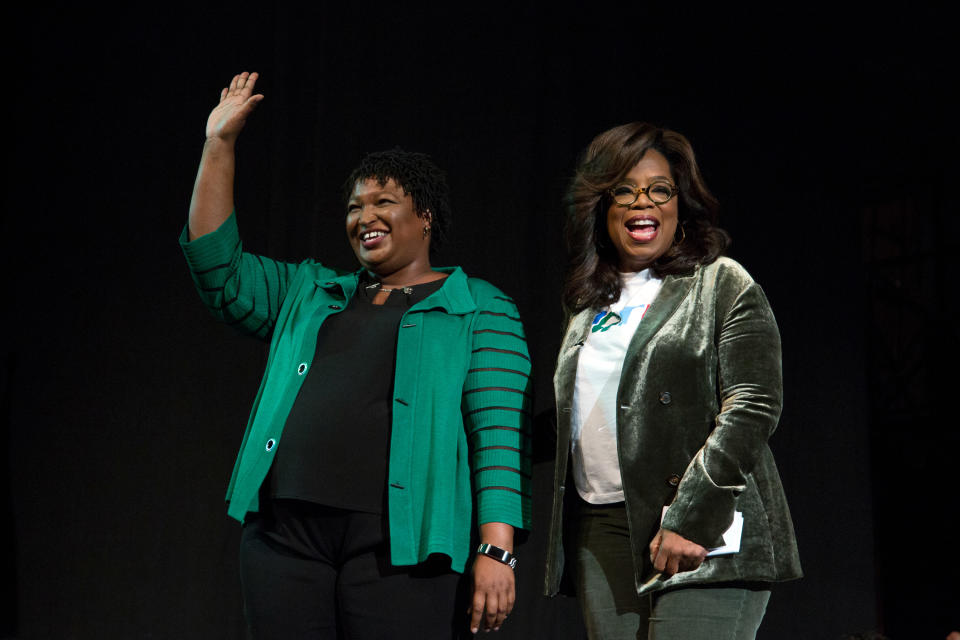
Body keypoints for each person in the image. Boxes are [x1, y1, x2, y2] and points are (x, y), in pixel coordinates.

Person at [181, 72, 532, 639]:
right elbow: (217, 269)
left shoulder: (479, 305)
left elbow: (498, 434)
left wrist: (498, 549)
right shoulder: (311, 292)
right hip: (283, 536)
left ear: (426, 217)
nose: (363, 216)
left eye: (384, 202)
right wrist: (217, 145)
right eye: (353, 206)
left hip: (401, 544)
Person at [543, 122, 802, 639]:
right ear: (602, 205)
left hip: (702, 530)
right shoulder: (586, 304)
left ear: (680, 204)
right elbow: (590, 410)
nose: (644, 203)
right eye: (624, 189)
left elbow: (753, 404)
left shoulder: (721, 281)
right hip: (604, 530)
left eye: (659, 189)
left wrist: (691, 516)